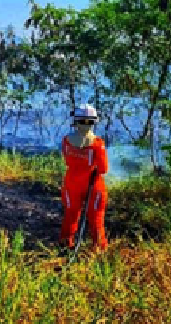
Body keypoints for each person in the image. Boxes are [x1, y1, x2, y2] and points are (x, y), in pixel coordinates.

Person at [60, 104, 109, 251]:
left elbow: (67, 161)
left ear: (76, 121)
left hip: (72, 183)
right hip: (93, 185)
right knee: (96, 217)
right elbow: (103, 169)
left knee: (71, 214)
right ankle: (98, 248)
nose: (87, 125)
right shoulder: (98, 144)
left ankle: (65, 244)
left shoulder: (66, 141)